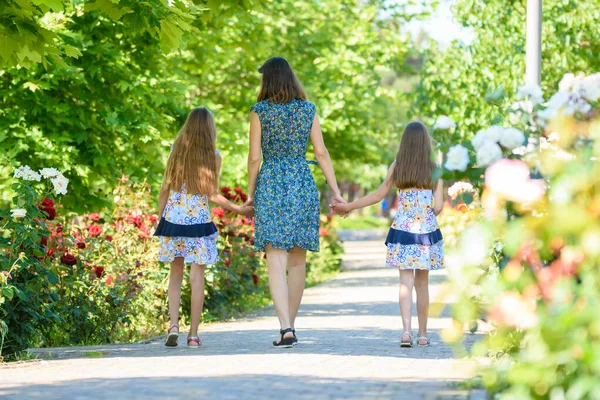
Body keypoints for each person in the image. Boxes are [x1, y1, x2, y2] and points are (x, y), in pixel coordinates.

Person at [244, 56, 345, 348]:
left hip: (272, 183)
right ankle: (291, 326)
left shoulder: (259, 111)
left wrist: (251, 194)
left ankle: (284, 326)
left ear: (268, 80)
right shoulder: (308, 110)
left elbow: (254, 158)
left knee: (276, 258)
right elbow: (322, 152)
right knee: (298, 260)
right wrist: (336, 191)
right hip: (302, 183)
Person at [331, 121, 444, 347]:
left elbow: (377, 196)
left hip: (402, 231)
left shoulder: (397, 167)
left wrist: (349, 206)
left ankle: (405, 332)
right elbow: (439, 206)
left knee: (405, 283)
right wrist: (425, 213)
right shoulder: (435, 169)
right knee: (422, 285)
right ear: (425, 143)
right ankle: (422, 335)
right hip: (426, 233)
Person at [154, 107, 253, 348]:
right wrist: (240, 209)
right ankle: (194, 335)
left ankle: (173, 325)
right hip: (198, 223)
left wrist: (161, 219)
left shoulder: (175, 152)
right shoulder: (213, 156)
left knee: (175, 275)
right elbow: (212, 195)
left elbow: (164, 190)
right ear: (209, 129)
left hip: (172, 220)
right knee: (197, 277)